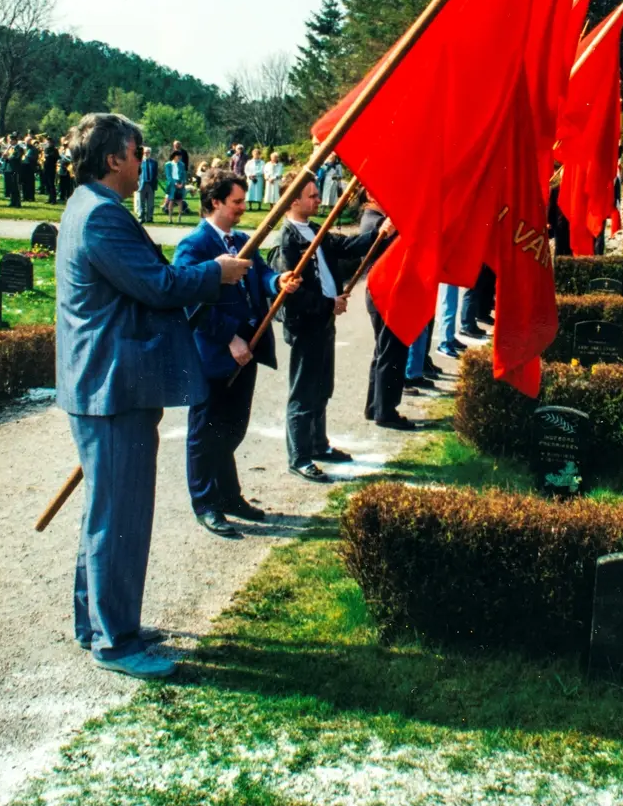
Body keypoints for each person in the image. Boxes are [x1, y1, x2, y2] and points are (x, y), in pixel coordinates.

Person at [55, 113, 252, 680]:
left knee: (105, 514)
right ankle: (116, 641)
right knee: (120, 517)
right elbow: (160, 285)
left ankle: (97, 622)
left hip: (105, 384)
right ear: (114, 158)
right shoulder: (102, 216)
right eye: (138, 153)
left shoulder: (86, 207)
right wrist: (216, 272)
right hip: (113, 387)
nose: (145, 163)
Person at [174, 170, 301, 537]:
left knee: (231, 429)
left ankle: (230, 496)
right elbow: (191, 301)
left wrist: (278, 281)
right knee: (205, 431)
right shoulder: (194, 247)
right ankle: (205, 503)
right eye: (237, 202)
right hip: (216, 355)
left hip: (249, 348)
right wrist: (229, 337)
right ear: (215, 202)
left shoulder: (243, 240)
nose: (243, 209)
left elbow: (258, 274)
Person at [278, 175, 383, 481]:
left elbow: (347, 246)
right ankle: (299, 456)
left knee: (322, 386)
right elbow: (293, 295)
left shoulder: (315, 230)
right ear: (294, 200)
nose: (318, 200)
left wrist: (381, 232)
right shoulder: (289, 239)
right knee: (303, 390)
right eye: (311, 196)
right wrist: (328, 303)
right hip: (306, 324)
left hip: (324, 321)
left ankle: (318, 443)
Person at [360, 198, 417, 429]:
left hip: (382, 293)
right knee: (390, 353)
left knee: (383, 352)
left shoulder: (375, 220)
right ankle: (385, 410)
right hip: (384, 294)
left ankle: (375, 406)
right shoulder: (376, 222)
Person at [164, 149, 187, 223]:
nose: (179, 158)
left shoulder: (182, 164)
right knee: (171, 201)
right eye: (178, 156)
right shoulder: (168, 164)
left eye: (180, 157)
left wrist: (182, 183)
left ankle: (179, 218)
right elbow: (168, 176)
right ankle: (170, 218)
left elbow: (184, 175)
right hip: (172, 184)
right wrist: (175, 183)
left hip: (180, 183)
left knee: (180, 201)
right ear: (174, 156)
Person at [137, 146, 159, 223]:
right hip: (141, 184)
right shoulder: (138, 162)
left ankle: (149, 218)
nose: (146, 154)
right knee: (141, 202)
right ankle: (141, 217)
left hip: (151, 185)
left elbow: (156, 174)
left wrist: (155, 184)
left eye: (148, 152)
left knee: (150, 203)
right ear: (143, 153)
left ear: (150, 153)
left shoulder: (154, 162)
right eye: (145, 152)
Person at [2, 134, 23, 208]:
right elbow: (5, 158)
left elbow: (16, 157)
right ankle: (12, 201)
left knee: (16, 186)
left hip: (15, 169)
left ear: (15, 141)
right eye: (9, 140)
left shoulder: (19, 148)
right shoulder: (9, 148)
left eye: (11, 140)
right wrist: (4, 156)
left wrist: (7, 156)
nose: (10, 141)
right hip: (8, 169)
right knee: (11, 186)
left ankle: (18, 203)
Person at [42, 137, 60, 205]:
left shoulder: (55, 150)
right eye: (47, 142)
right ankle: (49, 198)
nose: (47, 143)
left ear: (52, 143)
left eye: (49, 142)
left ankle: (53, 199)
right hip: (46, 167)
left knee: (51, 184)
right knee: (47, 184)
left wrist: (48, 155)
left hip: (51, 168)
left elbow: (55, 157)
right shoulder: (46, 149)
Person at [21, 135, 39, 203]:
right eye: (26, 141)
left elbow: (35, 158)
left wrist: (28, 157)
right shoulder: (24, 148)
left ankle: (31, 197)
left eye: (28, 141)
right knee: (24, 182)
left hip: (30, 167)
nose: (26, 142)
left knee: (30, 183)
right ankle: (25, 196)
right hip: (23, 166)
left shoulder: (34, 149)